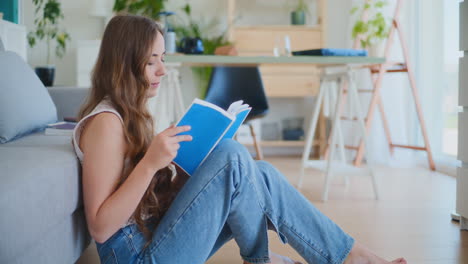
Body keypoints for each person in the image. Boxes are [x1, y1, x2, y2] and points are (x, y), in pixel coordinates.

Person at [73, 14, 407, 264]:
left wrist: (186, 179)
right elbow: (101, 228)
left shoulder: (131, 115)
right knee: (232, 156)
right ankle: (265, 260)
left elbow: (140, 202)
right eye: (151, 61)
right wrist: (149, 164)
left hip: (154, 236)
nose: (161, 70)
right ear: (125, 65)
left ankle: (351, 254)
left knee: (256, 172)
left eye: (163, 58)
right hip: (139, 257)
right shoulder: (106, 123)